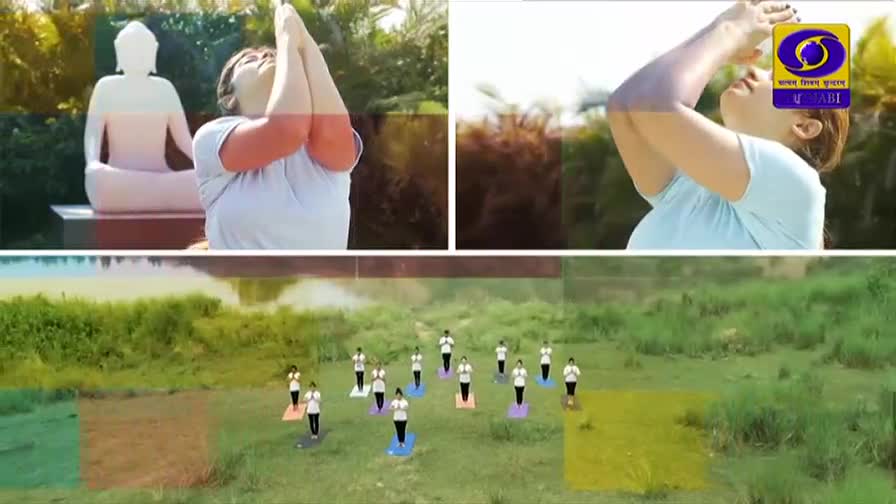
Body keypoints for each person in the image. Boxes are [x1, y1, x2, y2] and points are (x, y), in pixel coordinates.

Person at [608, 1, 848, 250]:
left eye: (775, 79)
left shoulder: (797, 185)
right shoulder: (696, 186)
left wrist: (729, 32)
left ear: (804, 127)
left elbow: (653, 105)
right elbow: (624, 107)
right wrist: (717, 32)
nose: (754, 71)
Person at [192, 3, 363, 249]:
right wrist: (285, 38)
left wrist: (303, 41)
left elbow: (328, 138)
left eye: (273, 55)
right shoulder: (211, 139)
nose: (266, 56)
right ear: (229, 98)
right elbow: (286, 130)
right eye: (250, 59)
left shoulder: (319, 141)